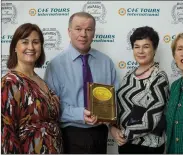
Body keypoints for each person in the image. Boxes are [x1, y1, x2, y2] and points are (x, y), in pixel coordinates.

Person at [44, 12, 118, 154]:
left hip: (100, 134)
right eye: (78, 29)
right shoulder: (55, 66)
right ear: (69, 31)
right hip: (71, 134)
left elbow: (115, 99)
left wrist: (111, 120)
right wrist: (80, 114)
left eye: (88, 29)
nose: (83, 34)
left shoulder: (106, 62)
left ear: (94, 33)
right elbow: (51, 109)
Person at [1, 23, 63, 153]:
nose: (31, 47)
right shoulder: (10, 83)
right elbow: (5, 134)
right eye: (25, 42)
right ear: (15, 47)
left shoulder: (42, 81)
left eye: (35, 42)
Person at [109, 26, 169, 154]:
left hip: (148, 146)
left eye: (146, 46)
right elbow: (120, 107)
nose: (140, 51)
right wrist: (113, 128)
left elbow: (153, 118)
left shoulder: (159, 77)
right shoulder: (129, 74)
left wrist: (125, 134)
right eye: (137, 46)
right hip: (125, 143)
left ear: (155, 49)